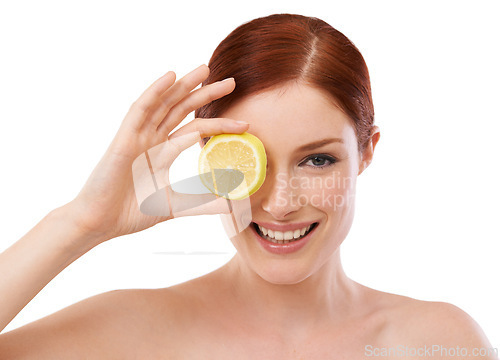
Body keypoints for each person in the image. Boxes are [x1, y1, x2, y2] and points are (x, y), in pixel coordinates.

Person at [0, 13, 496, 359]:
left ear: (367, 151)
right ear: (209, 158)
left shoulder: (439, 342)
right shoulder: (130, 332)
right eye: (251, 163)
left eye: (317, 159)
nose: (279, 204)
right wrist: (82, 221)